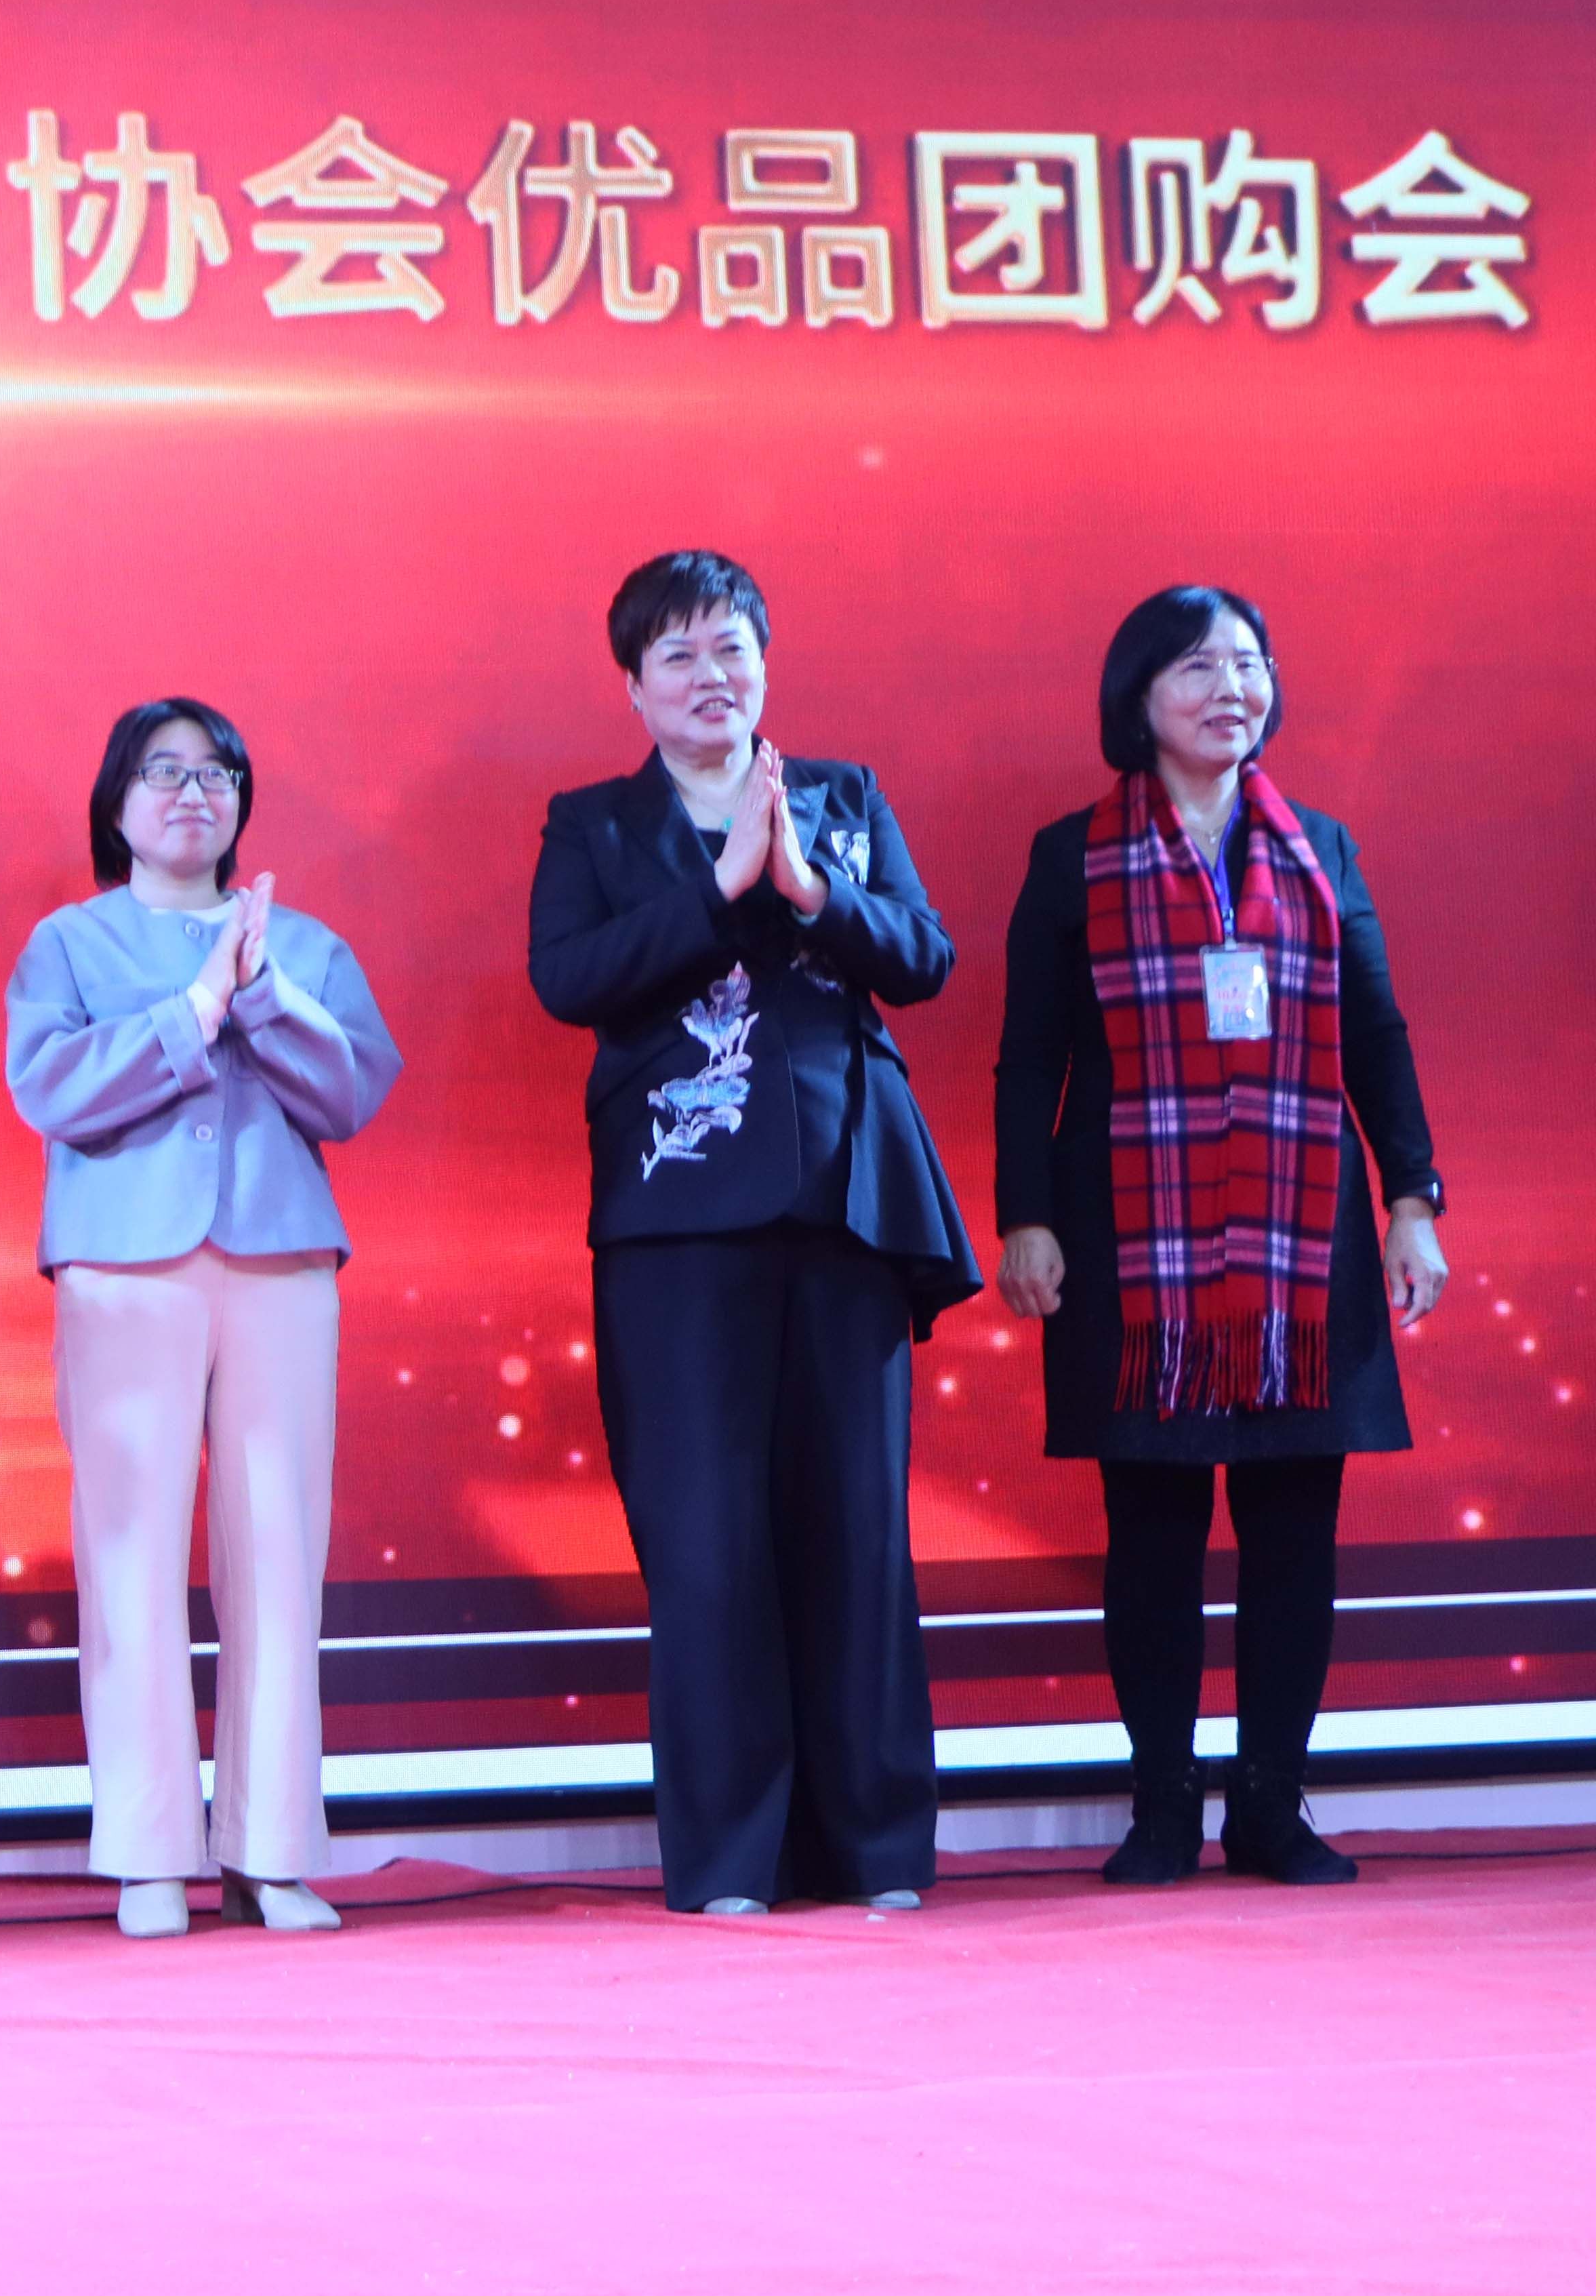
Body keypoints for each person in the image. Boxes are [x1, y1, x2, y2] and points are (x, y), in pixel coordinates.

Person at [527, 550, 981, 1915]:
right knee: (708, 1540)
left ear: (764, 664)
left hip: (848, 1203)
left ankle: (875, 1850)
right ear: (633, 687)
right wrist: (719, 886)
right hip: (677, 1222)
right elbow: (568, 979)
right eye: (678, 656)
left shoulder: (841, 798)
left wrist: (809, 888)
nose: (710, 676)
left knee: (858, 1533)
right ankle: (732, 1857)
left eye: (731, 649)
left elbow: (925, 956)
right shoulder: (594, 825)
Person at [994, 586, 1443, 1887]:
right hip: (1133, 1246)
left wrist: (1413, 1199)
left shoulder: (1323, 849)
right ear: (1137, 698)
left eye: (1248, 664)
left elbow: (1378, 1036)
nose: (1229, 689)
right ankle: (1160, 1811)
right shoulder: (1072, 857)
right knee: (1153, 1534)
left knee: (1295, 1531)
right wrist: (1025, 1217)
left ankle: (1272, 1808)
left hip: (1304, 1249)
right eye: (1196, 668)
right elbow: (1030, 1058)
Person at [7, 700, 399, 1940]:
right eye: (163, 772)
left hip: (280, 1261)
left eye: (216, 772)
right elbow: (50, 1087)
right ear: (116, 803)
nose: (193, 792)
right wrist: (191, 1011)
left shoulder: (305, 946)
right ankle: (147, 1853)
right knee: (129, 1554)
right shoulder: (68, 943)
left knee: (279, 1553)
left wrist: (260, 992)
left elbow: (352, 1091)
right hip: (125, 1265)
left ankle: (270, 1852)